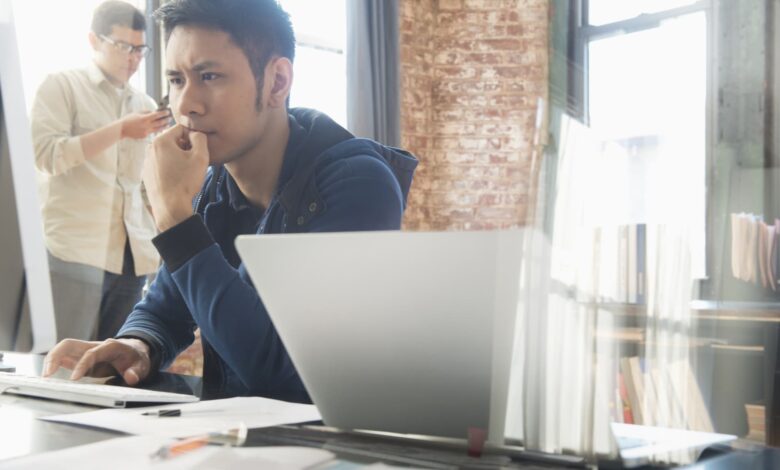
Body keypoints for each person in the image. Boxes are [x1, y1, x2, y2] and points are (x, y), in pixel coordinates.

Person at [43, 0, 418, 403]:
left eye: (209, 76)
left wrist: (174, 215)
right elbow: (164, 310)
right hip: (237, 434)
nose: (185, 104)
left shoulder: (359, 183)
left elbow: (279, 370)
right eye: (176, 79)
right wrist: (138, 345)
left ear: (276, 82)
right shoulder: (214, 187)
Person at [31, 1, 170, 341]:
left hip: (132, 257)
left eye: (140, 49)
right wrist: (120, 130)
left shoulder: (144, 106)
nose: (133, 58)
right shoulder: (61, 86)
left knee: (112, 366)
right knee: (63, 362)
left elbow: (142, 186)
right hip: (74, 250)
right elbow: (46, 156)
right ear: (94, 40)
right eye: (123, 47)